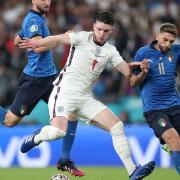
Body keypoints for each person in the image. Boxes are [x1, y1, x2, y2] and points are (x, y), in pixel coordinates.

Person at [19, 11, 155, 179]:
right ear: (94, 26)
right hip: (64, 92)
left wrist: (142, 72)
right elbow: (57, 39)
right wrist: (36, 43)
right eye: (99, 29)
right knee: (58, 132)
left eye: (106, 31)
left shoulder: (111, 51)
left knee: (117, 127)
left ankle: (132, 171)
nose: (102, 33)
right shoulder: (81, 37)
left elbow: (129, 75)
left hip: (85, 99)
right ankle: (37, 137)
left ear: (111, 31)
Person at [0, 0, 84, 177]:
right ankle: (37, 136)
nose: (47, 2)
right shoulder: (33, 20)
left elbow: (17, 40)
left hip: (50, 78)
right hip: (34, 81)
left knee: (71, 112)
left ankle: (64, 159)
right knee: (9, 121)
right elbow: (38, 47)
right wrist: (63, 38)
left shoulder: (37, 20)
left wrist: (22, 38)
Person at [129, 23, 180, 175]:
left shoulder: (176, 51)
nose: (168, 44)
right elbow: (132, 83)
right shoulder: (142, 53)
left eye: (171, 41)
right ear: (157, 36)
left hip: (175, 106)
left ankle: (168, 146)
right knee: (174, 139)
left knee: (175, 142)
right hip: (155, 110)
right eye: (165, 39)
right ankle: (169, 144)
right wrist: (143, 73)